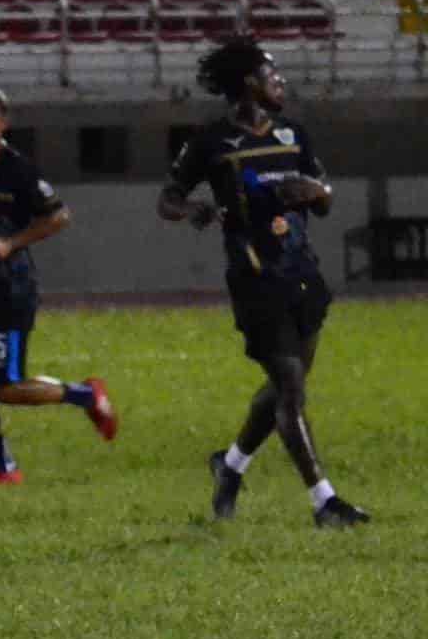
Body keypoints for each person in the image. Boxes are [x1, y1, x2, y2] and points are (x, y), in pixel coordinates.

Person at [157, 36, 368, 528]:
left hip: (304, 275)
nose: (282, 83)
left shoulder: (294, 133)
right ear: (251, 83)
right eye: (275, 76)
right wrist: (190, 209)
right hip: (255, 280)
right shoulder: (211, 142)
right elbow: (168, 197)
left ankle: (229, 466)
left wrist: (314, 192)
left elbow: (325, 195)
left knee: (281, 390)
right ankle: (325, 502)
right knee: (291, 388)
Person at [0, 86, 116, 487]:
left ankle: (85, 395)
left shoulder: (16, 169)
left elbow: (58, 216)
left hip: (7, 291)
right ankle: (3, 468)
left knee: (4, 386)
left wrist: (11, 242)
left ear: (3, 124)